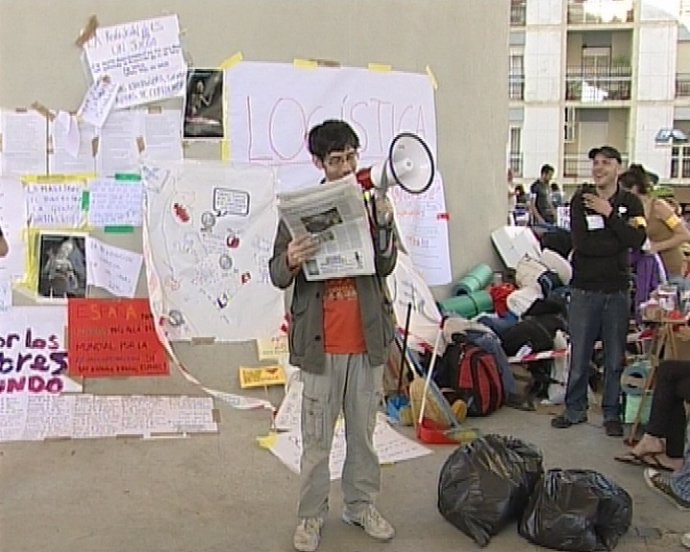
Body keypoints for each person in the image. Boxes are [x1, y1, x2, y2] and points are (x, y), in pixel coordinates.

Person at [269, 120, 398, 552]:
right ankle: (310, 517)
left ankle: (360, 505)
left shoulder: (371, 201)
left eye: (351, 157)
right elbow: (275, 274)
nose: (346, 167)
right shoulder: (300, 210)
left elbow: (385, 267)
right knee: (316, 440)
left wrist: (384, 225)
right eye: (336, 159)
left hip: (367, 341)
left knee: (363, 435)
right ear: (318, 163)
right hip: (320, 345)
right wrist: (290, 257)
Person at [551, 146, 647, 436]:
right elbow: (584, 245)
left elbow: (637, 239)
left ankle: (611, 413)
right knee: (579, 355)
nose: (598, 168)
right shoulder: (581, 200)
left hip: (617, 291)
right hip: (585, 290)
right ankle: (574, 409)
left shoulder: (631, 203)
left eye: (605, 163)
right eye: (595, 162)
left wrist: (609, 216)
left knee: (615, 356)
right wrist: (618, 238)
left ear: (618, 167)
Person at [619, 164, 690, 286]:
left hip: (671, 270)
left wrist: (657, 246)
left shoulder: (659, 207)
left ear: (634, 189)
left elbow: (684, 235)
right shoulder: (631, 211)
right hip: (646, 272)